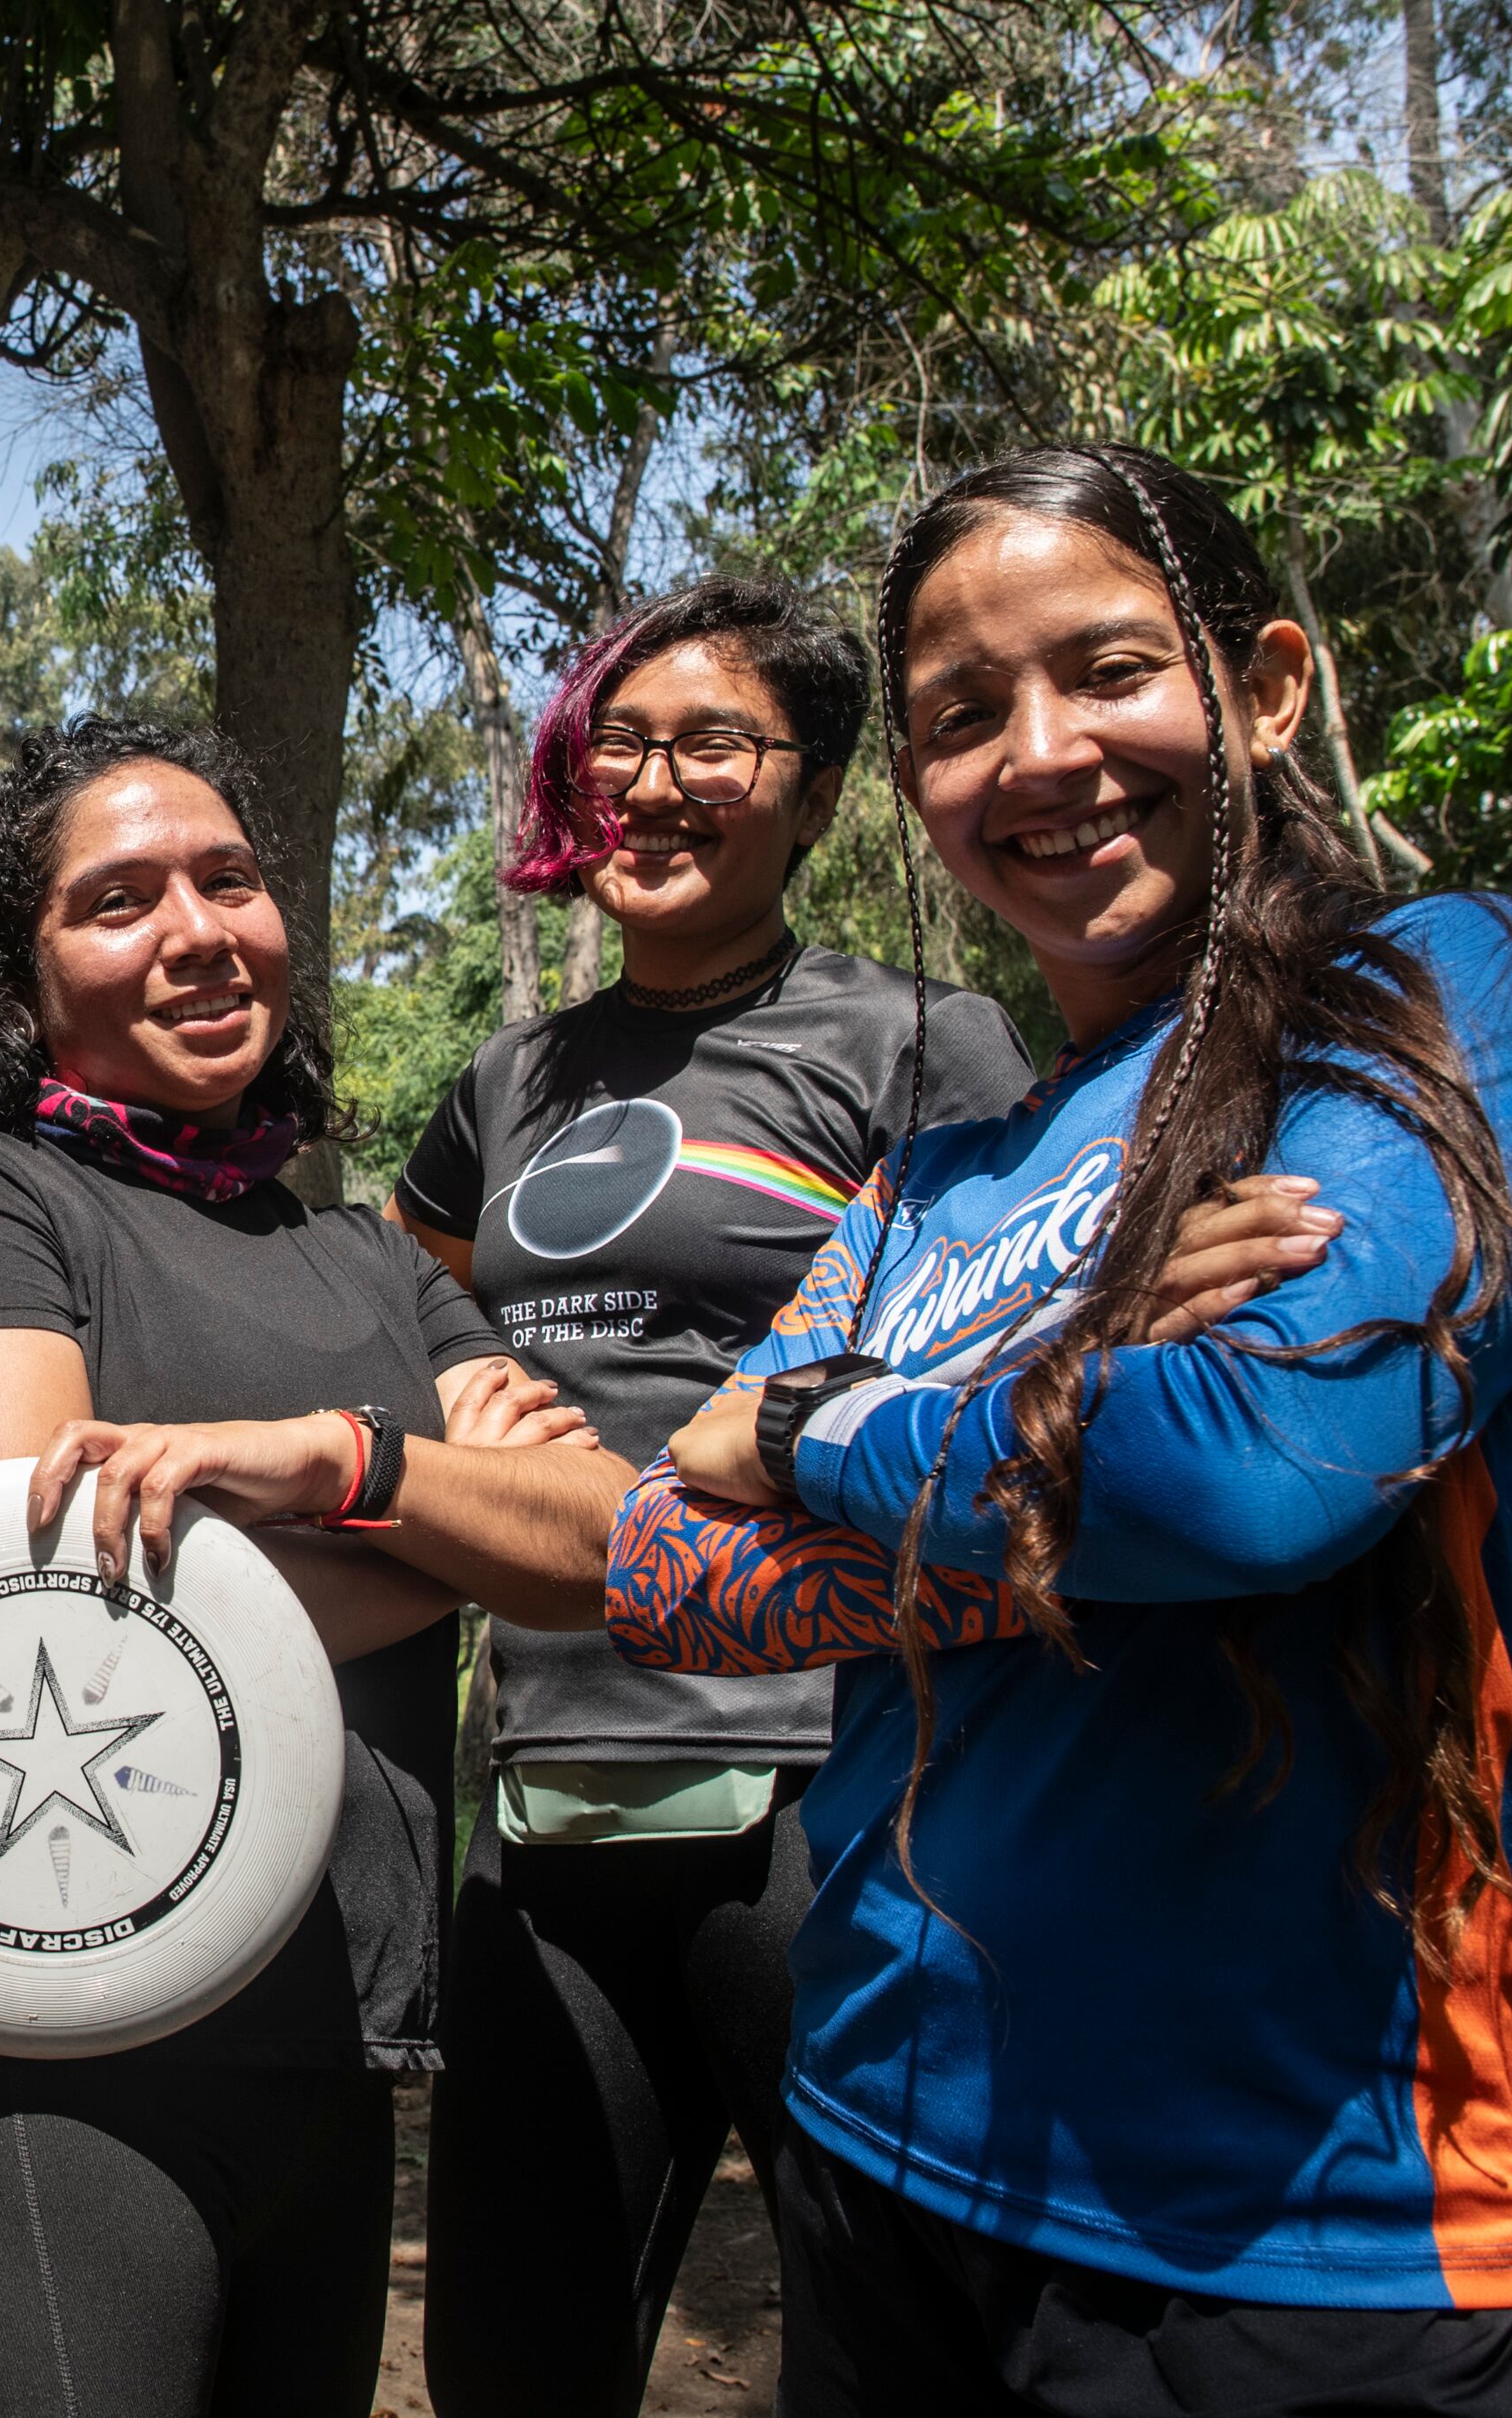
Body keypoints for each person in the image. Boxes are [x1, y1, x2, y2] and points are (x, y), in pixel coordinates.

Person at [590, 444, 1512, 2414]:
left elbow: (1249, 1476)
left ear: (1261, 686)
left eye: (1108, 670)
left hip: (1308, 2221)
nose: (1042, 751)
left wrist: (822, 1413)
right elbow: (655, 1558)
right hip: (881, 2131)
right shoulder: (930, 1177)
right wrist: (1069, 1408)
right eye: (964, 716)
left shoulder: (1438, 996)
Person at [0, 716, 634, 2418]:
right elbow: (43, 1617)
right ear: (14, 973)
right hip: (38, 2063)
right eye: (118, 900)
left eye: (232, 878)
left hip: (331, 2040)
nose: (198, 928)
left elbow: (612, 1545)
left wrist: (339, 1469)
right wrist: (447, 1516)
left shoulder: (359, 1248)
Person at [386, 578, 1033, 2415]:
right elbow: (398, 1280)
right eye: (620, 746)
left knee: (898, 2344)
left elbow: (999, 1348)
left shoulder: (919, 1044)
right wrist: (450, 1368)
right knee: (513, 2360)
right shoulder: (513, 1077)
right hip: (545, 1791)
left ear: (818, 793)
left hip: (836, 1786)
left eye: (715, 744)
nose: (653, 785)